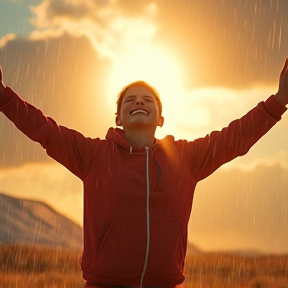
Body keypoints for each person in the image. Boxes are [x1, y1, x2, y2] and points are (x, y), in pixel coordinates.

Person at [0, 59, 287, 288]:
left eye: (148, 99)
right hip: (104, 285)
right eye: (130, 100)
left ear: (160, 118)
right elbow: (44, 130)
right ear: (118, 118)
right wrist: (3, 97)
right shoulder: (94, 155)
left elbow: (235, 137)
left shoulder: (186, 159)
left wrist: (279, 100)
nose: (139, 102)